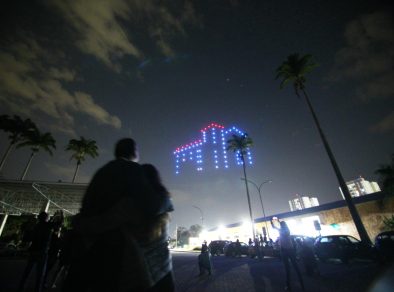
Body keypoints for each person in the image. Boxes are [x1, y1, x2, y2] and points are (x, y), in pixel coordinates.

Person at [63, 138, 167, 292]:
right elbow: (151, 205)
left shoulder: (102, 171)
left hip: (88, 244)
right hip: (114, 248)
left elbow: (85, 206)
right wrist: (165, 201)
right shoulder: (132, 169)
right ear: (134, 152)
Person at [18, 211, 63, 292]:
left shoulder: (36, 226)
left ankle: (21, 287)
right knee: (40, 274)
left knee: (27, 272)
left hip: (33, 251)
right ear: (46, 218)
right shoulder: (48, 226)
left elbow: (28, 238)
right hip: (43, 252)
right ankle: (37, 289)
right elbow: (59, 224)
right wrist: (60, 215)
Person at [271, 218, 305, 291]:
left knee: (288, 268)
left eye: (281, 225)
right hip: (290, 250)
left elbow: (275, 228)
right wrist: (275, 221)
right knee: (294, 266)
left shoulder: (284, 231)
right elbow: (275, 227)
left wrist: (273, 222)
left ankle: (289, 285)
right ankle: (301, 282)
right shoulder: (286, 230)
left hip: (285, 251)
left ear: (282, 225)